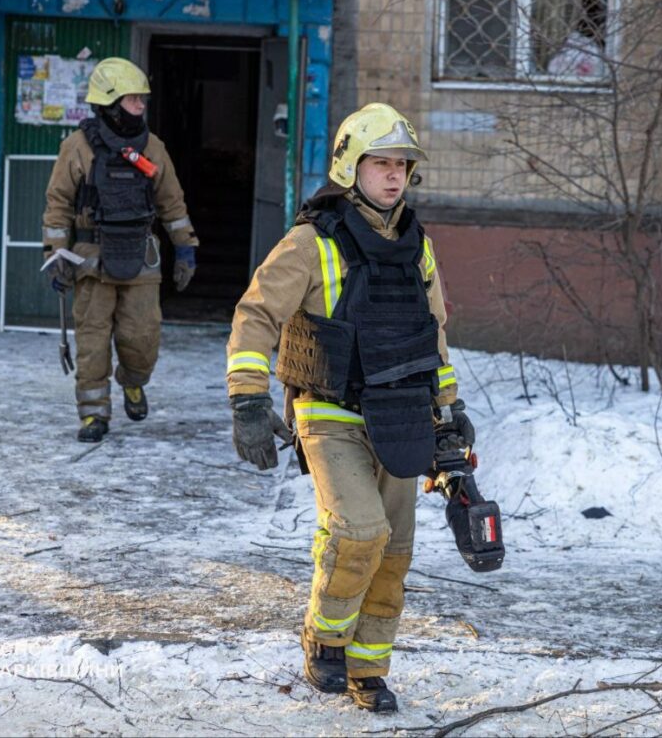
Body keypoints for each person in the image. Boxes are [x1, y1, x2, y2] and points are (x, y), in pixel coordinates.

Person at [224, 103, 474, 712]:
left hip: (403, 414)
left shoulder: (417, 247)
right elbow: (256, 314)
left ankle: (369, 670)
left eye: (402, 165)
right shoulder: (311, 242)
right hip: (330, 410)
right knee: (360, 529)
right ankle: (325, 638)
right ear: (349, 166)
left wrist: (448, 410)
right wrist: (248, 398)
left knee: (395, 550)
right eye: (381, 162)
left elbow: (433, 335)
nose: (393, 175)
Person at [42, 58, 200, 442]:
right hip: (91, 260)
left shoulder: (153, 148)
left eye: (142, 99)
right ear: (110, 104)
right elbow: (58, 204)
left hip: (141, 257)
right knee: (92, 343)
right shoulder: (77, 148)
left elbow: (172, 203)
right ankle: (93, 414)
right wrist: (55, 255)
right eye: (133, 99)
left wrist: (185, 247)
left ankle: (133, 381)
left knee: (142, 339)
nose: (140, 105)